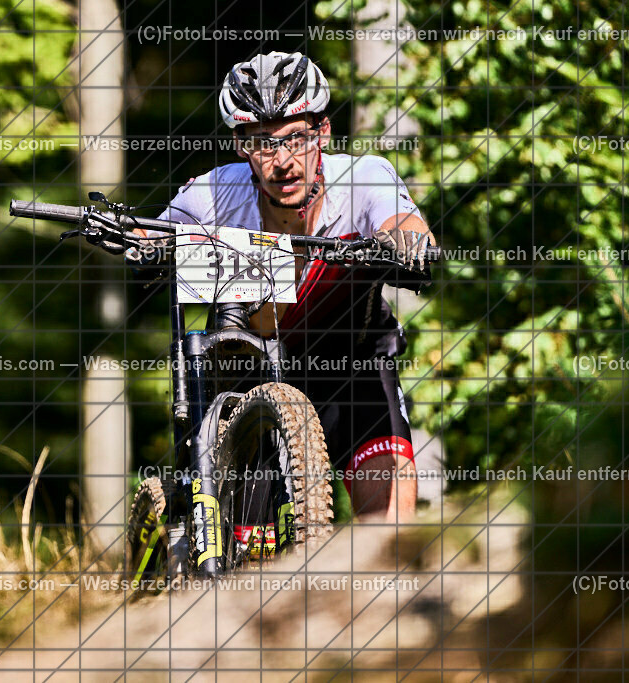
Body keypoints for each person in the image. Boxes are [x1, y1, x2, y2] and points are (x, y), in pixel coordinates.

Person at [140, 51, 436, 523]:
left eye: (295, 138)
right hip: (250, 373)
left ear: (323, 132)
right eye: (262, 144)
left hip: (353, 366)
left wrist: (407, 242)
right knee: (250, 561)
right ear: (240, 145)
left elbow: (404, 222)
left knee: (391, 529)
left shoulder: (363, 178)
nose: (282, 162)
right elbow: (151, 235)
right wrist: (137, 242)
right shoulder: (214, 192)